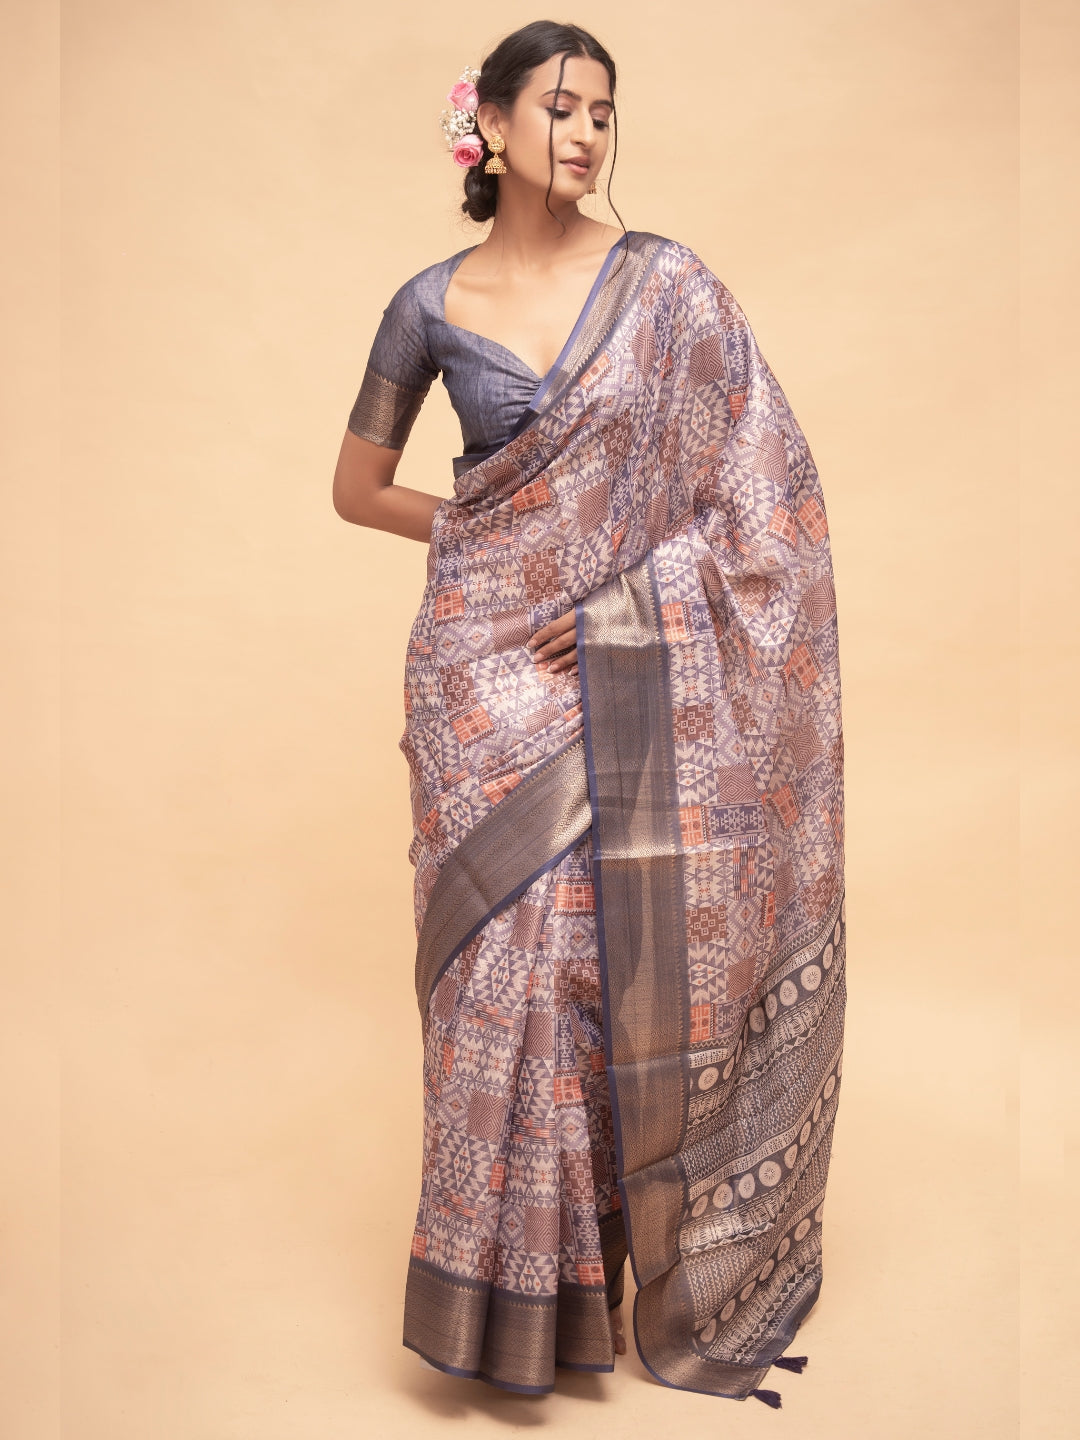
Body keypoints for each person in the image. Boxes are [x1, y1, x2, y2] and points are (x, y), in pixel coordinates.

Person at [332, 19, 847, 1407]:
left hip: (608, 664)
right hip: (475, 673)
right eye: (560, 108)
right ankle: (493, 1306)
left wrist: (634, 595)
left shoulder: (669, 291)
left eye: (603, 113)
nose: (586, 134)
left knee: (577, 963)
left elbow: (770, 508)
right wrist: (496, 549)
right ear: (490, 125)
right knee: (489, 975)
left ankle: (577, 1299)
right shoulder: (425, 306)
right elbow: (357, 488)